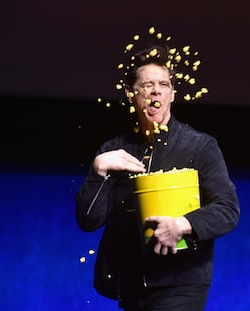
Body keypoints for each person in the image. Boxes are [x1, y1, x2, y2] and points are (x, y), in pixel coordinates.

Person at [75, 43, 240, 310]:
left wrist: (182, 226)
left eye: (164, 85)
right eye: (148, 84)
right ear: (131, 93)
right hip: (130, 285)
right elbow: (88, 220)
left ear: (172, 94)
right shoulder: (114, 152)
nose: (156, 91)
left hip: (181, 282)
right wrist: (99, 171)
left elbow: (227, 210)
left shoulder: (200, 146)